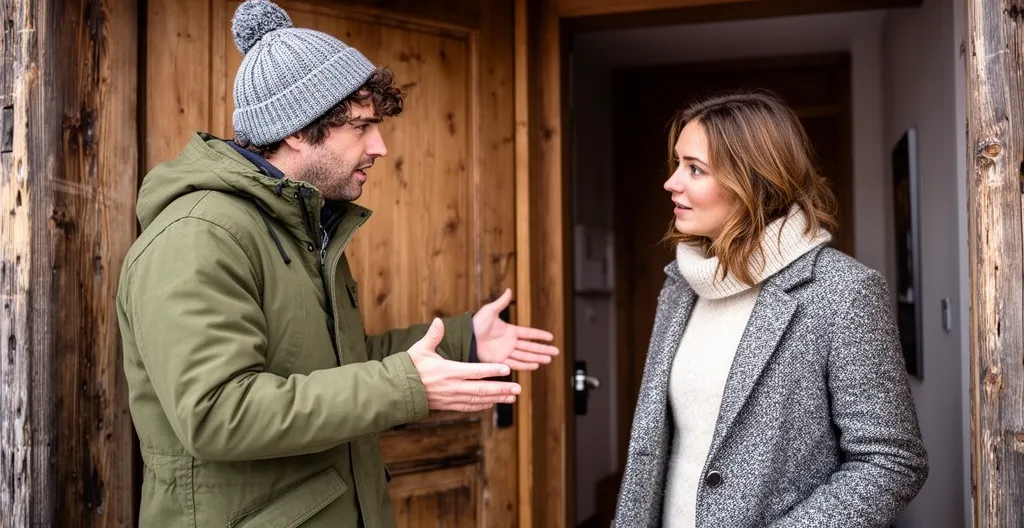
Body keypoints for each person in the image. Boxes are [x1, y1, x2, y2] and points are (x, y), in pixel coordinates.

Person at [116, 1, 559, 527]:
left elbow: (333, 370)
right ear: (298, 130)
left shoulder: (302, 224)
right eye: (361, 127)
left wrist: (464, 340)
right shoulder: (198, 236)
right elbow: (217, 414)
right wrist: (406, 386)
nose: (380, 146)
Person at [612, 91, 928, 527]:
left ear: (755, 180)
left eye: (695, 169)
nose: (671, 182)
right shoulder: (680, 285)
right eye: (678, 164)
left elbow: (892, 461)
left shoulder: (842, 291)